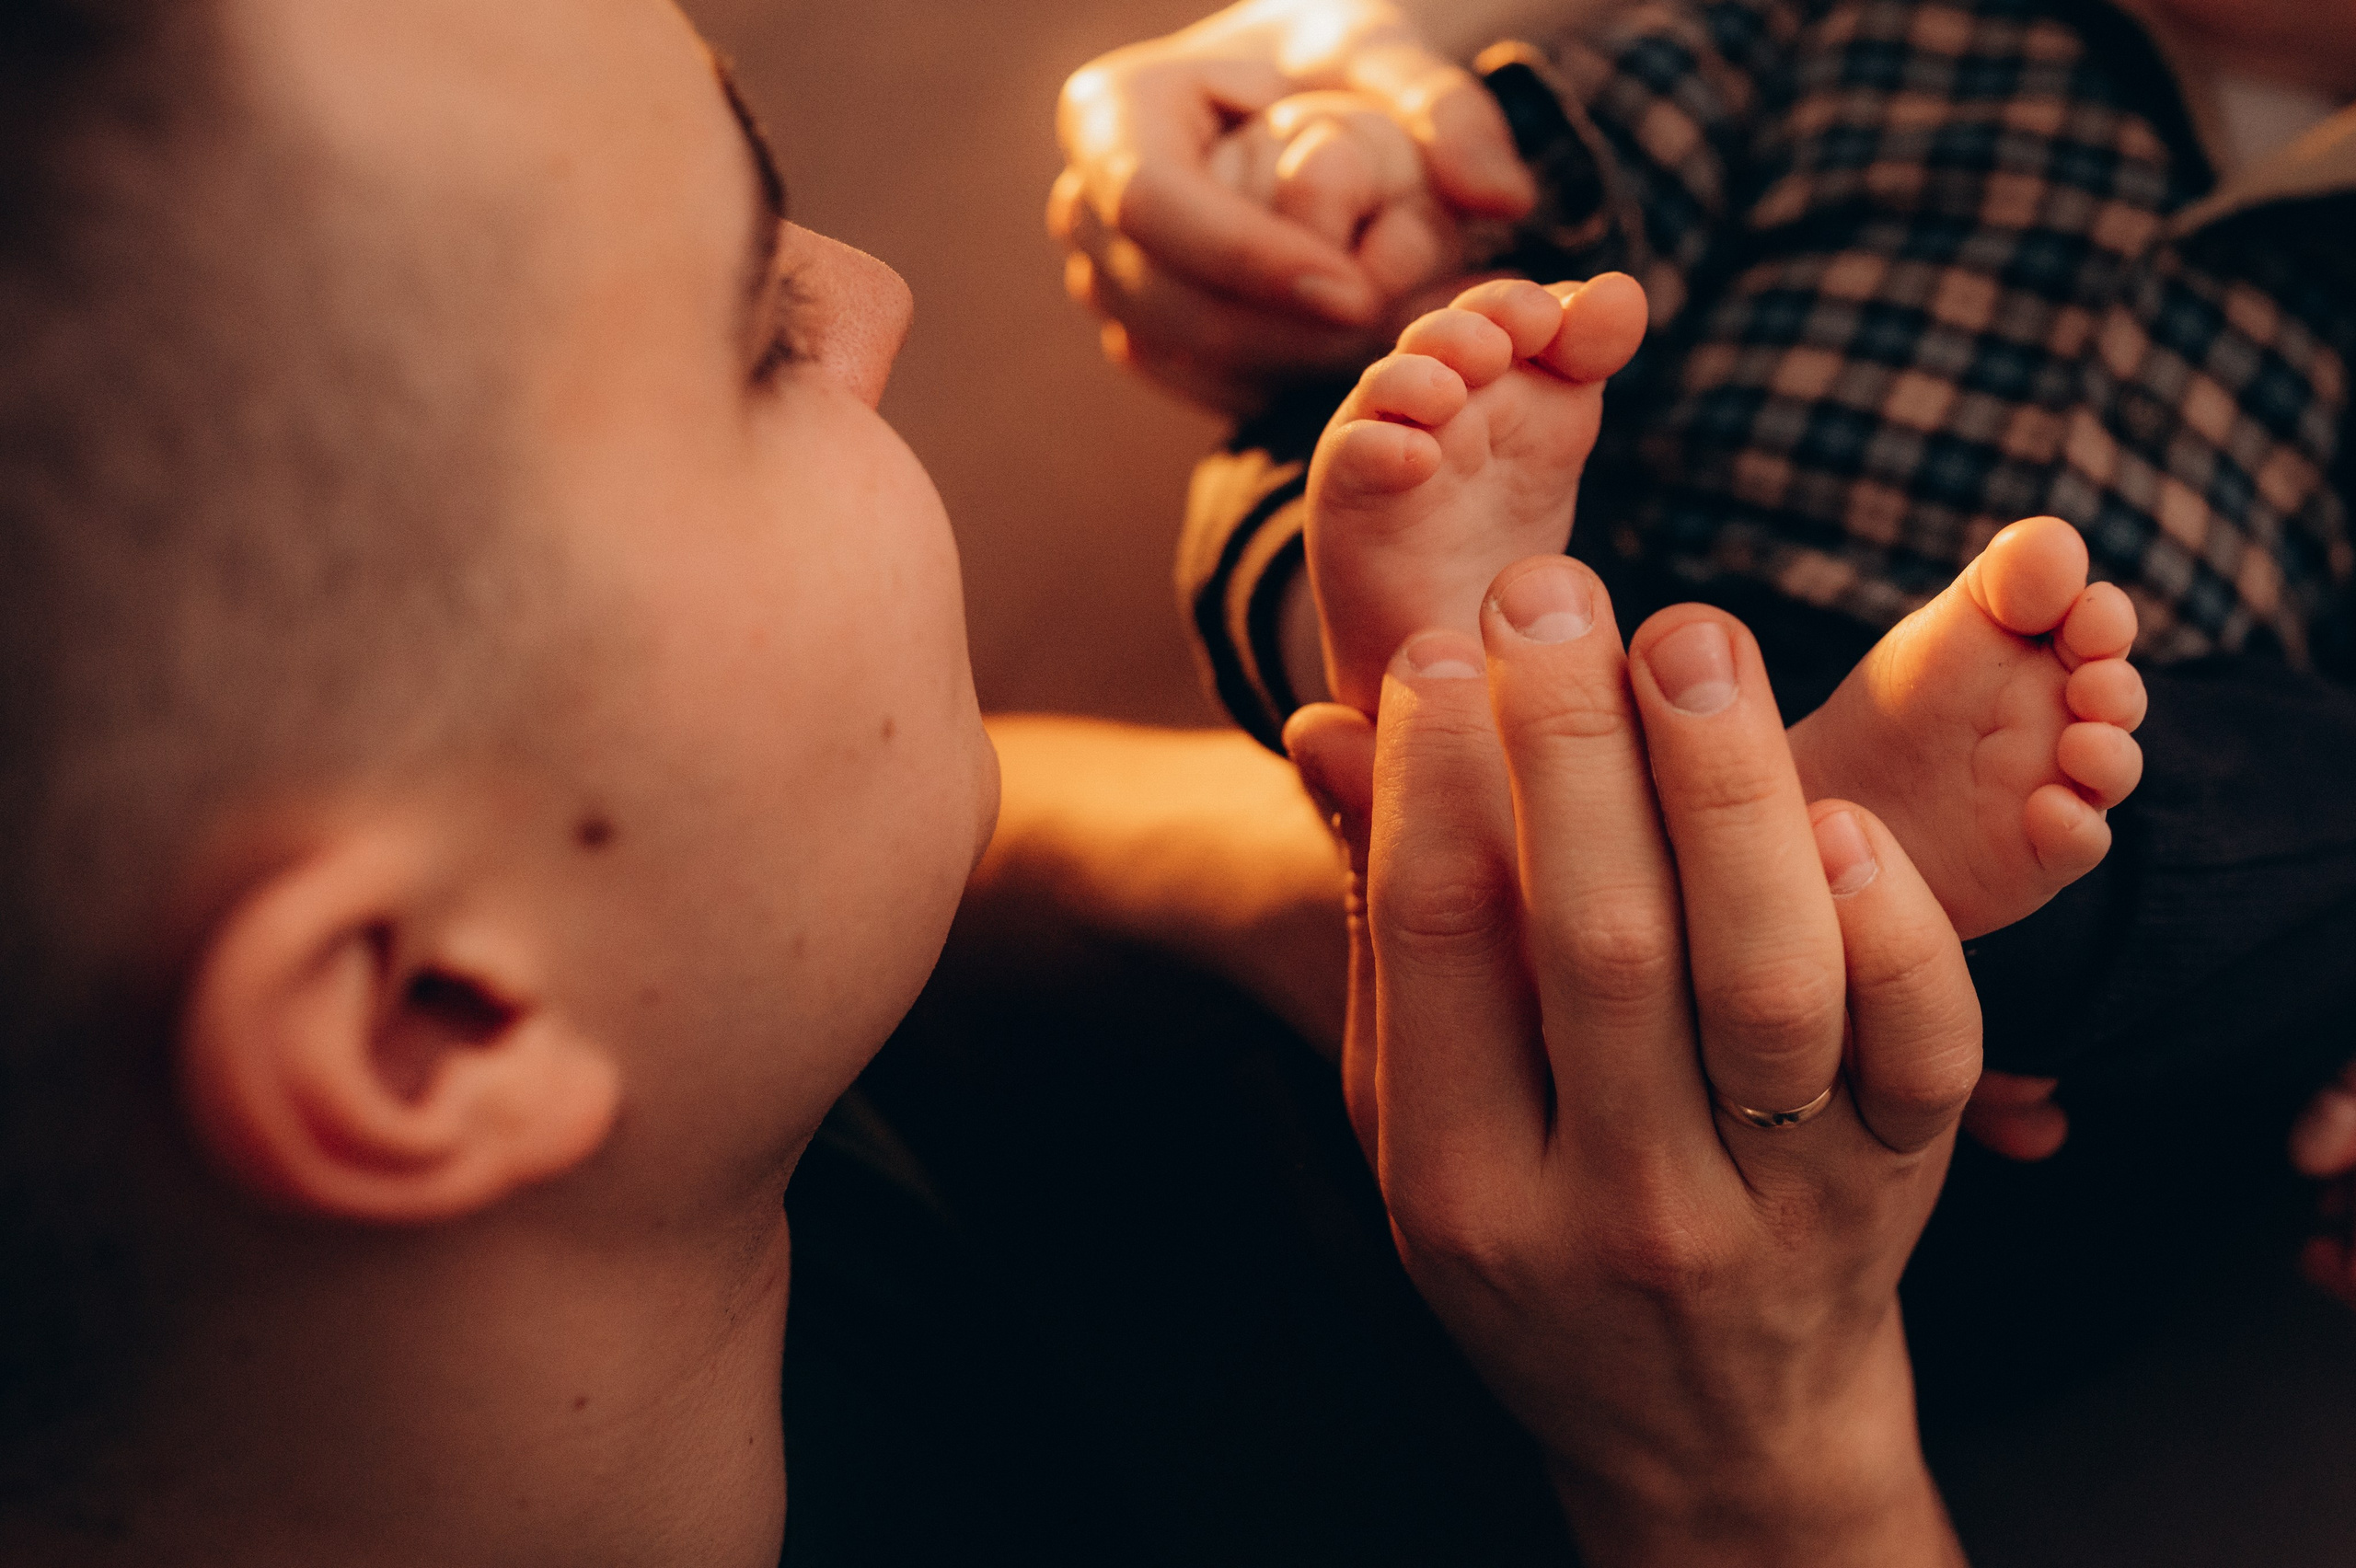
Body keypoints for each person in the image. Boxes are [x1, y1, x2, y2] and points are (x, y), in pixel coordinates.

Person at [0, 1, 1991, 1563]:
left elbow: (905, 840)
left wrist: (1344, 892)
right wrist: (1756, 1461)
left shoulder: (614, 1110)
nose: (875, 293)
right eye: (752, 327)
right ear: (430, 1022)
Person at [1052, 0, 2356, 1167]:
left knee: (2278, 812)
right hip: (1635, 606)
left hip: (2036, 802)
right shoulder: (1849, 26)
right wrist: (1383, 192)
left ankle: (1820, 844)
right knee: (1375, 429)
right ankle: (1445, 664)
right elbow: (1559, 186)